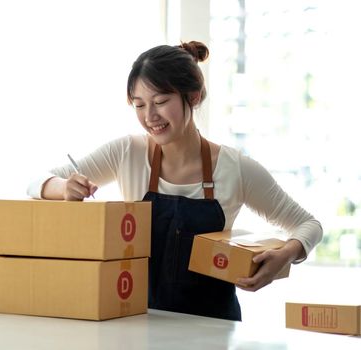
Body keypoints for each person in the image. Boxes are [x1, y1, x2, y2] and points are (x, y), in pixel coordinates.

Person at [26, 41, 323, 321]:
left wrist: (286, 255)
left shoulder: (236, 169)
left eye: (160, 101)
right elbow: (36, 181)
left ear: (192, 97)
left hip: (214, 328)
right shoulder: (128, 152)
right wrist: (65, 188)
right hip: (140, 323)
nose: (149, 116)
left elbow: (309, 225)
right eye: (139, 105)